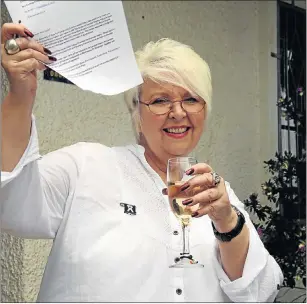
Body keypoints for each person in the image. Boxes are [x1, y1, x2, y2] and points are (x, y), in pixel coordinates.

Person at [1, 22, 283, 302]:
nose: (178, 112)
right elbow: (10, 205)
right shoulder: (85, 167)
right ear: (137, 112)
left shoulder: (217, 194)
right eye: (160, 100)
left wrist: (227, 221)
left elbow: (261, 291)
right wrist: (20, 96)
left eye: (191, 99)